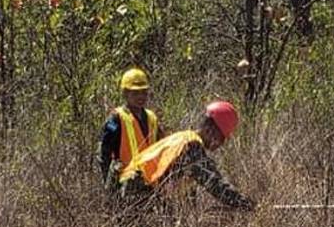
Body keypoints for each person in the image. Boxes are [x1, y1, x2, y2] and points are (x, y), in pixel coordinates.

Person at [118, 100, 255, 211]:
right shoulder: (191, 147)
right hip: (135, 192)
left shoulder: (184, 138)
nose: (221, 144)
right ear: (210, 130)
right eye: (221, 138)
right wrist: (248, 206)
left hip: (130, 189)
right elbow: (215, 185)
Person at [98, 67, 163, 187]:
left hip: (152, 182)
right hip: (127, 185)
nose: (141, 97)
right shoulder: (115, 119)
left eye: (144, 92)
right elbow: (103, 152)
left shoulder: (152, 118)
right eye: (135, 93)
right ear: (125, 93)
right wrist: (109, 184)